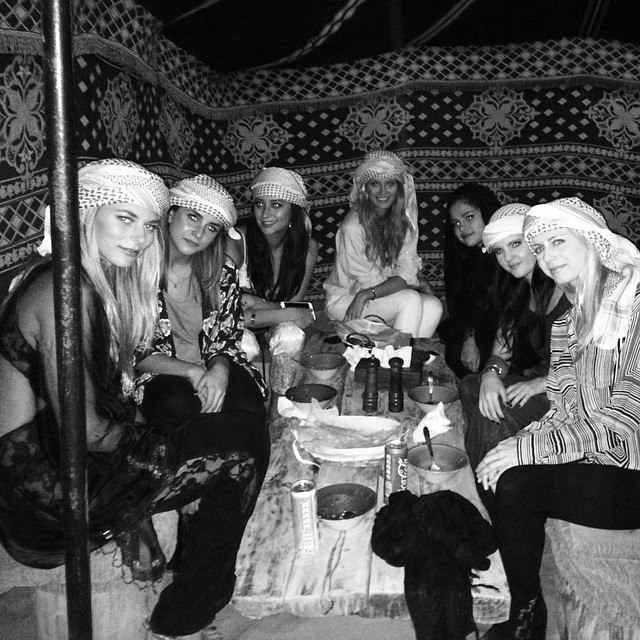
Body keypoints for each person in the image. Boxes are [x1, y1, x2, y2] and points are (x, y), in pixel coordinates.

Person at [0, 160, 270, 640]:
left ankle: (195, 578)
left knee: (226, 432)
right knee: (243, 446)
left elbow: (113, 403)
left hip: (65, 456)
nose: (141, 238)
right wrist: (163, 464)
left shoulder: (90, 280)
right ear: (86, 215)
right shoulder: (64, 292)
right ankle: (194, 604)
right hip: (45, 490)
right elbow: (89, 432)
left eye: (147, 225)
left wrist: (177, 458)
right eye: (125, 219)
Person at [476, 197, 640, 640]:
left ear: (591, 239)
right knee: (494, 467)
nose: (547, 257)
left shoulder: (634, 306)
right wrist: (517, 444)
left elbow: (627, 415)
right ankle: (527, 603)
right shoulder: (568, 323)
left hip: (632, 467)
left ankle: (525, 617)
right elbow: (562, 407)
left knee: (517, 485)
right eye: (539, 248)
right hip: (594, 459)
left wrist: (529, 448)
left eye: (557, 242)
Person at [458, 203, 571, 514]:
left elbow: (596, 364)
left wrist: (540, 383)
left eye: (516, 244)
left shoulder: (568, 282)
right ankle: (501, 470)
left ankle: (496, 504)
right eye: (499, 250)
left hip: (569, 391)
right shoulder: (521, 289)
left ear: (535, 241)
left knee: (492, 417)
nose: (508, 257)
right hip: (543, 381)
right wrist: (490, 375)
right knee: (472, 386)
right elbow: (501, 351)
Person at [135, 174, 267, 420]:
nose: (198, 233)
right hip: (159, 372)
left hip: (212, 363)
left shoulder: (222, 270)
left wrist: (219, 370)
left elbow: (226, 337)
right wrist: (191, 371)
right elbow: (135, 351)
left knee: (246, 405)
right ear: (171, 214)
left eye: (211, 228)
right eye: (193, 217)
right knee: (182, 407)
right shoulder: (137, 268)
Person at [227, 166, 319, 418]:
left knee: (291, 335)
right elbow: (229, 313)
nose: (265, 214)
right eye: (259, 204)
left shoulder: (307, 248)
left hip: (264, 319)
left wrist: (255, 302)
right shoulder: (236, 242)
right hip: (234, 324)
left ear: (293, 211)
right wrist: (284, 311)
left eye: (276, 205)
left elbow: (293, 306)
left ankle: (278, 405)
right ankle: (244, 409)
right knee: (244, 343)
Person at [324, 150, 442, 338]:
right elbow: (365, 284)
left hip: (375, 296)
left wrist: (411, 281)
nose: (383, 192)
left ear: (399, 188)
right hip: (348, 300)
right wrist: (367, 294)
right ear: (365, 188)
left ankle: (403, 353)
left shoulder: (403, 222)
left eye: (390, 184)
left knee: (434, 306)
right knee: (410, 299)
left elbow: (406, 271)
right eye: (375, 184)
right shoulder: (352, 227)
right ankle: (396, 354)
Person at [439, 183, 501, 379]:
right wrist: (470, 337)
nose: (462, 228)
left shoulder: (505, 252)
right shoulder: (469, 255)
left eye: (469, 217)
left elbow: (504, 307)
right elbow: (464, 301)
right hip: (482, 326)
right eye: (456, 223)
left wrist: (471, 339)